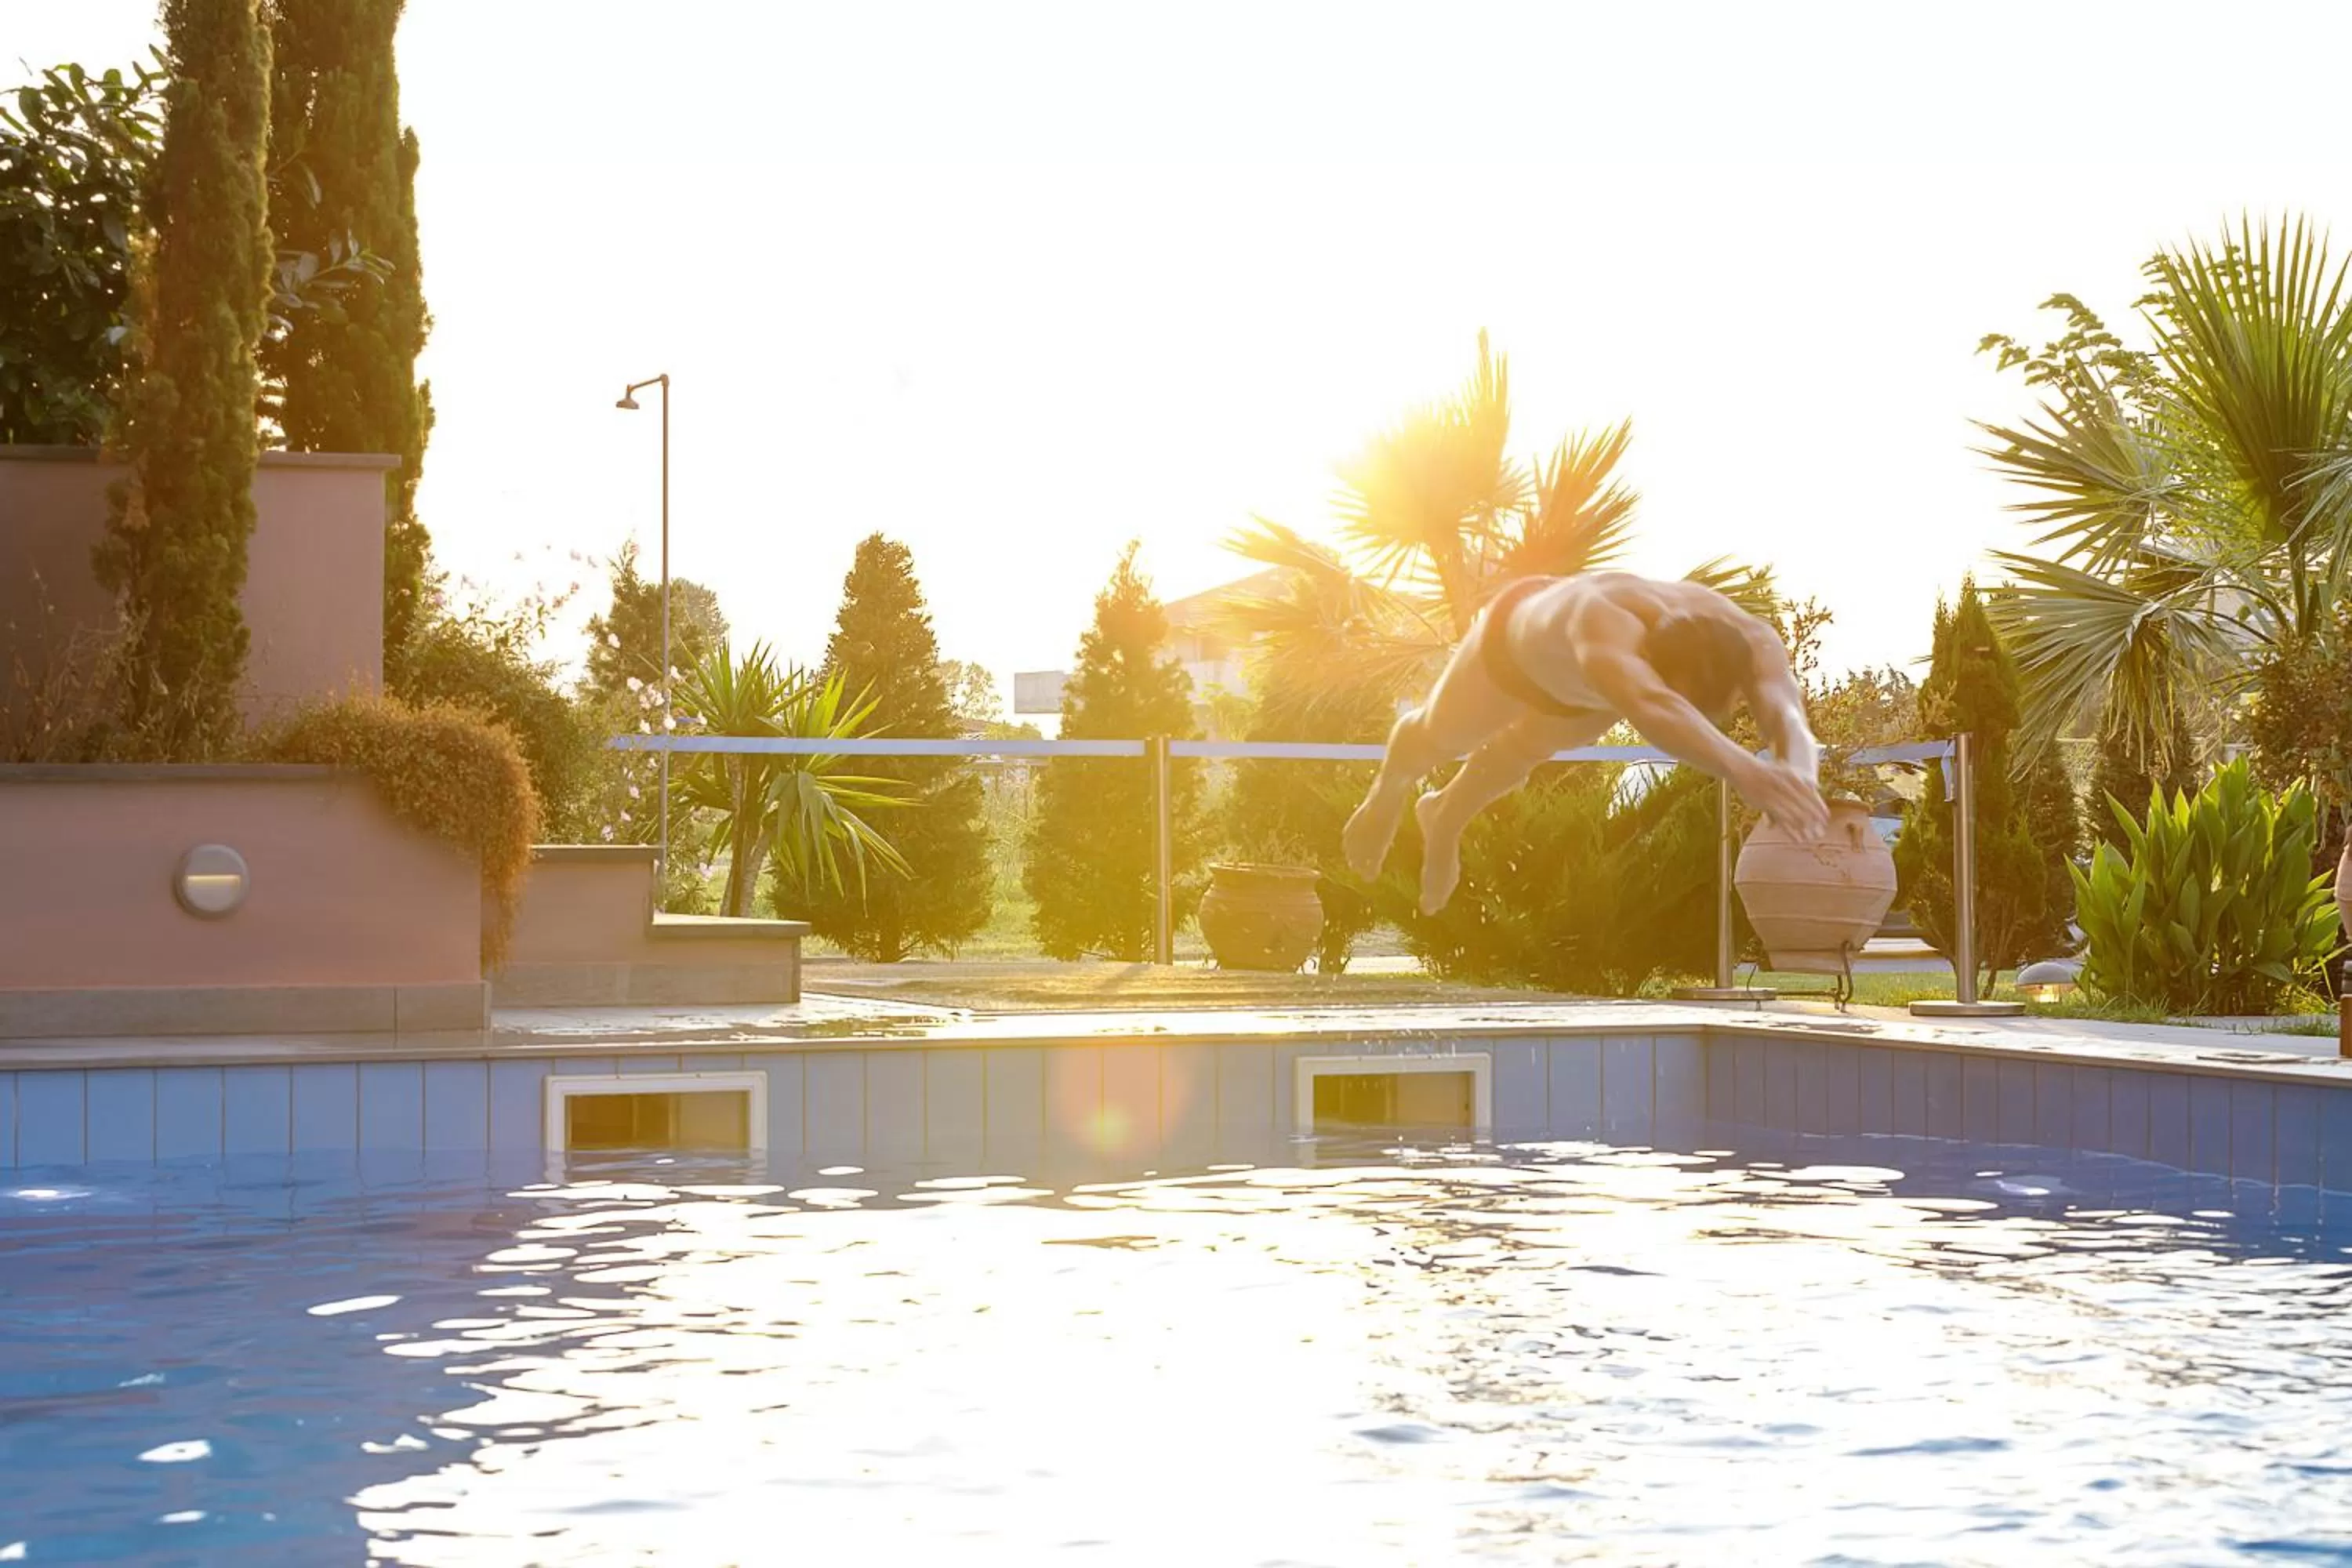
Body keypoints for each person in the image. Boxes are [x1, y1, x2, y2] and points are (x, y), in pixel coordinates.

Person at [1342, 571, 1830, 915]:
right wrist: (1748, 772)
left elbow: (1789, 720)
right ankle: (1387, 793)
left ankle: (1444, 818)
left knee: (1522, 754)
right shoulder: (1604, 624)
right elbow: (1654, 706)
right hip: (1509, 653)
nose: (1696, 715)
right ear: (1649, 659)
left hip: (1584, 694)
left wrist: (1798, 782)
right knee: (1438, 738)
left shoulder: (1753, 639)